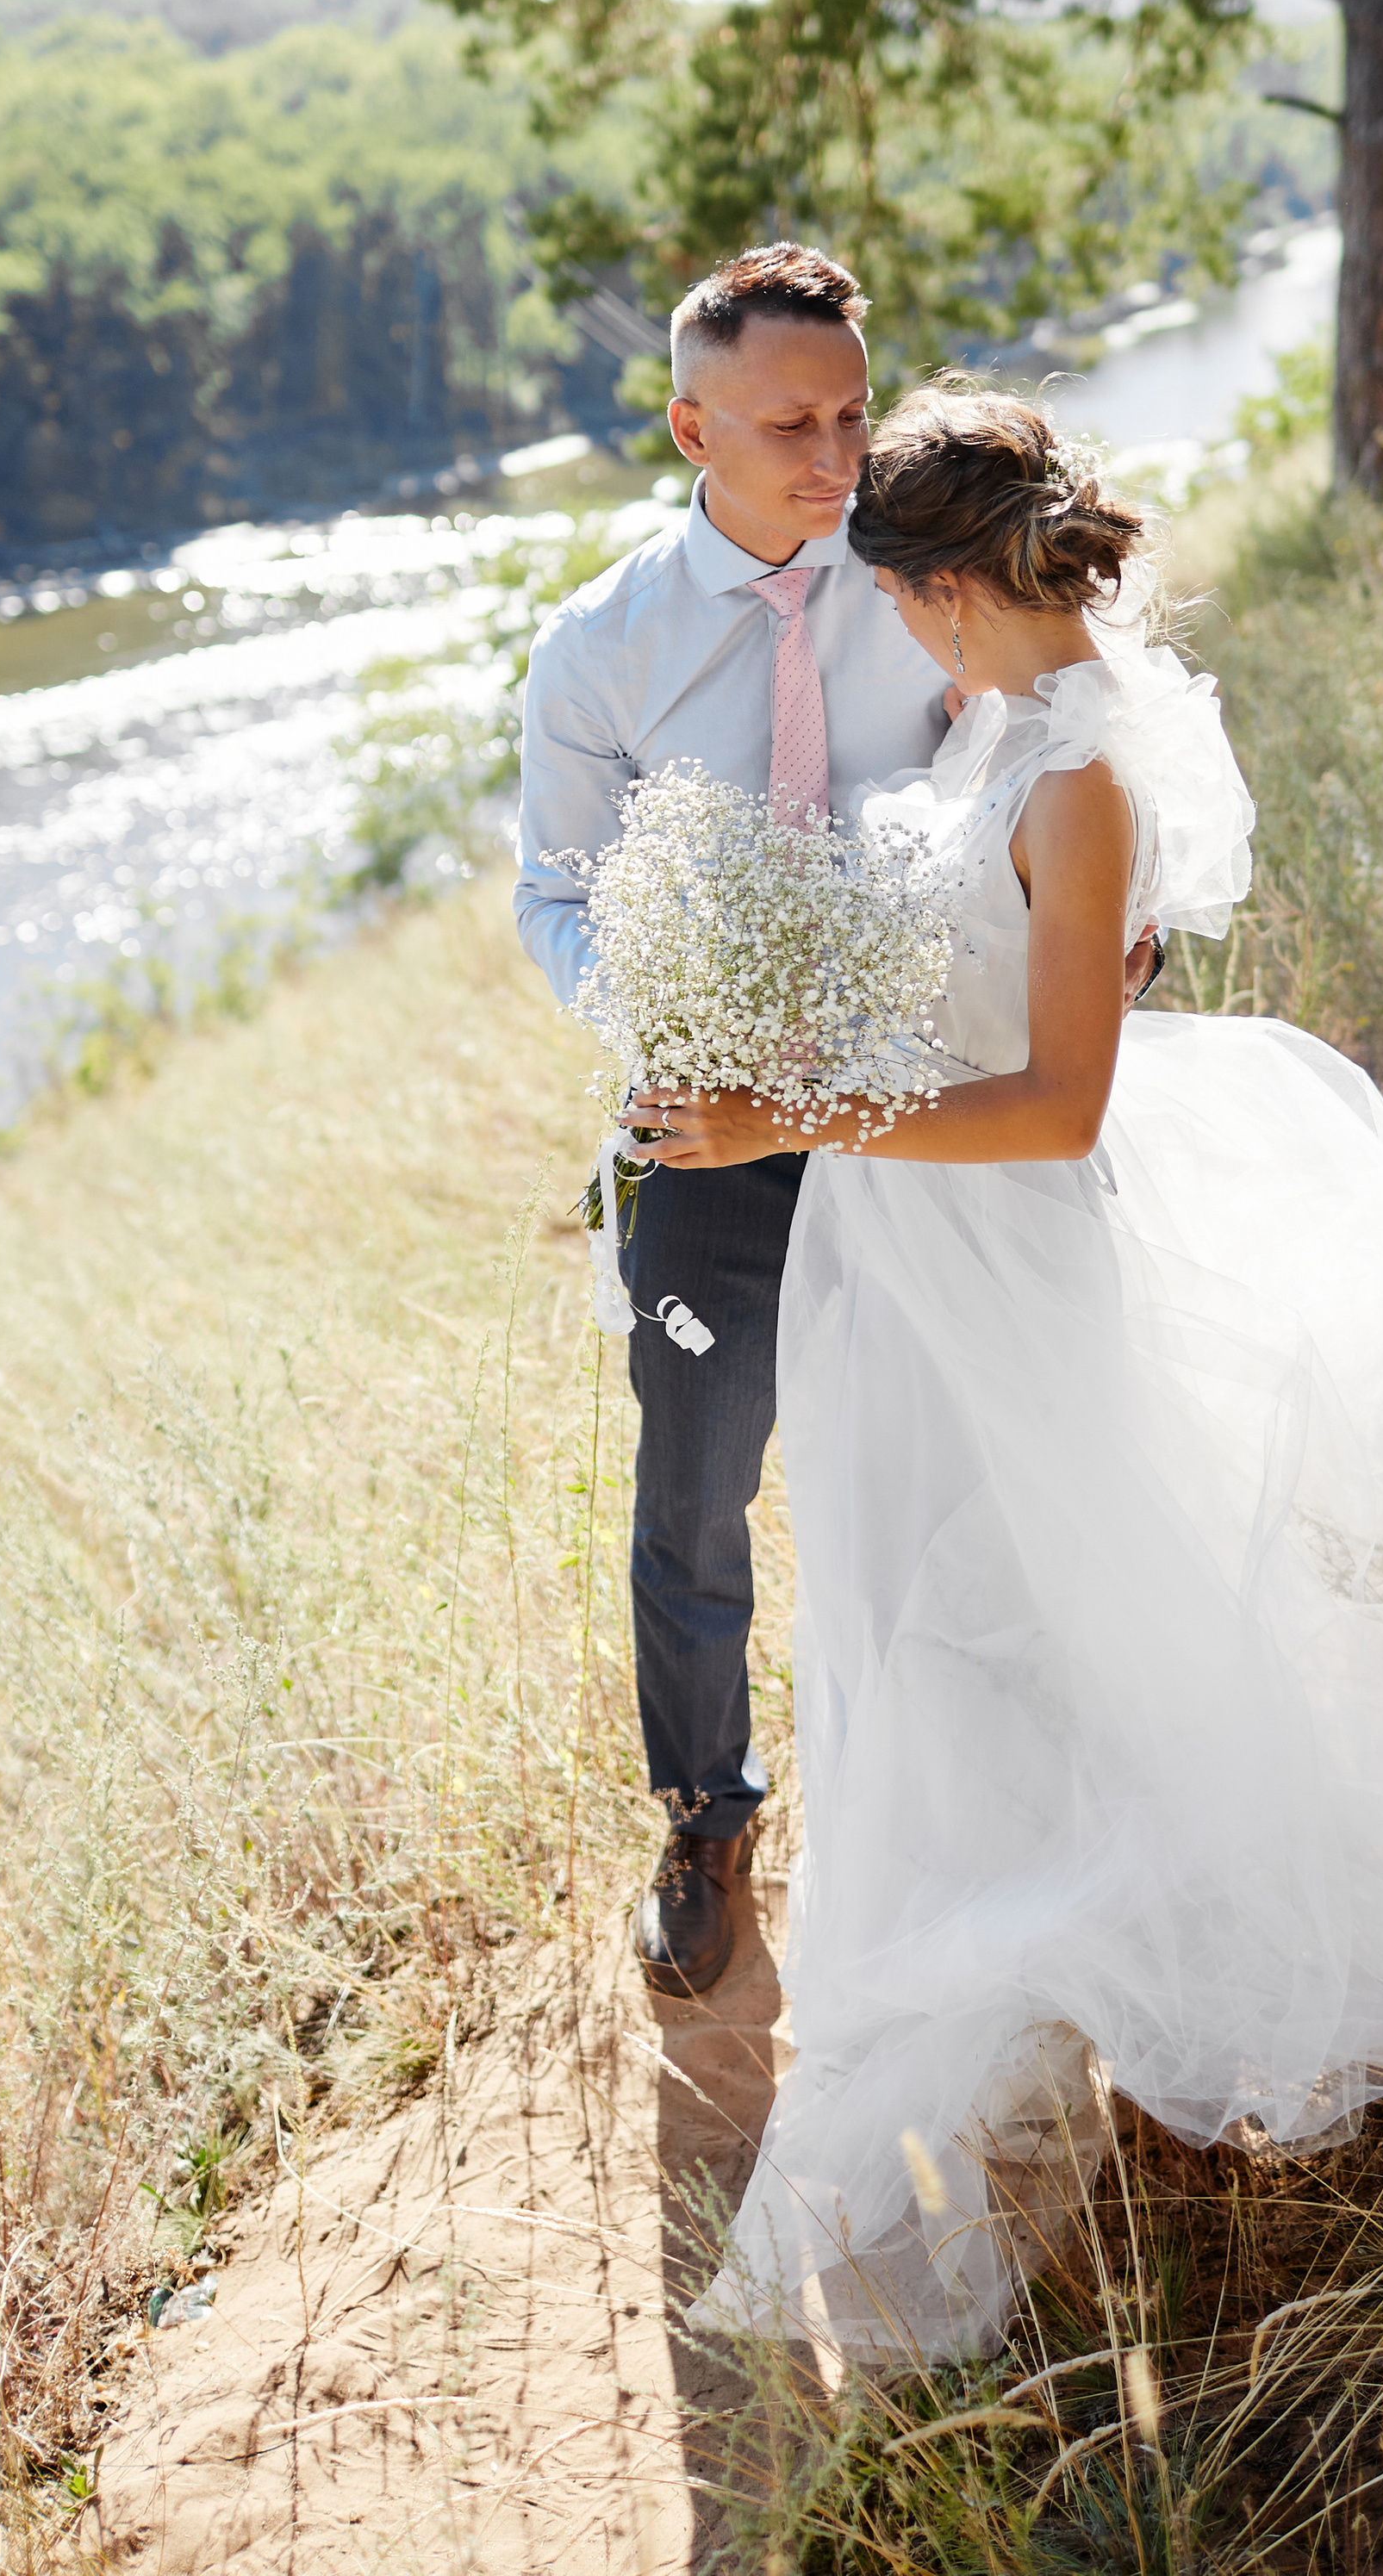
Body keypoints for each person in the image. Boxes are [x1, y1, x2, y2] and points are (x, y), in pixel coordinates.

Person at [632, 382, 1383, 2366]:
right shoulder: (1004, 725)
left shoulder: (1077, 777)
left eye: (900, 602)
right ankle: (1054, 1990)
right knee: (940, 1625)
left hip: (1007, 1252)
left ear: (955, 590)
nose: (893, 637)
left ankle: (1106, 1989)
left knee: (1043, 1618)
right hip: (904, 1258)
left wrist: (788, 1108)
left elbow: (1056, 1106)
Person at [515, 247, 1156, 1999]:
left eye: (853, 408)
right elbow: (553, 902)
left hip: (942, 1125)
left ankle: (1004, 1827)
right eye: (791, 419)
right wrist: (672, 1024)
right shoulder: (594, 650)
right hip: (707, 1136)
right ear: (687, 425)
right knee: (695, 1488)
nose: (830, 448)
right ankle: (703, 1817)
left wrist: (1101, 926)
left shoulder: (925, 579)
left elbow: (1041, 780)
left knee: (952, 1487)